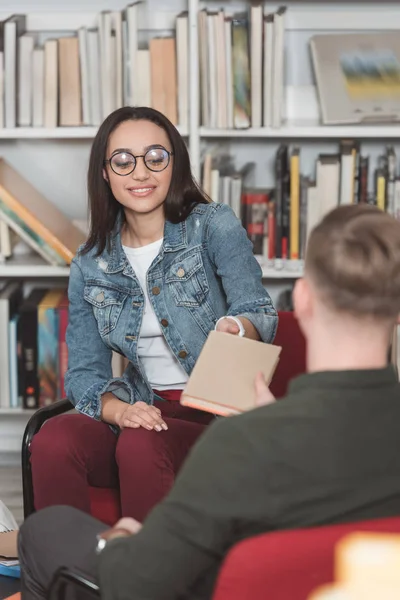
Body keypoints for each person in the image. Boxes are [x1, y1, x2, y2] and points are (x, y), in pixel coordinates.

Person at [19, 203, 400, 600]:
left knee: (45, 532)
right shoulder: (263, 438)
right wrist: (271, 421)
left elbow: (141, 581)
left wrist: (123, 543)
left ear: (302, 300)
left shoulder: (238, 445)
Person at [29, 106, 278, 522]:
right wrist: (119, 411)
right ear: (105, 173)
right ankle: (65, 574)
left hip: (215, 418)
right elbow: (85, 373)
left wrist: (236, 329)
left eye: (155, 157)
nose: (140, 173)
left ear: (173, 163)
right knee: (54, 438)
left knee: (140, 442)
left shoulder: (212, 226)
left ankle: (145, 576)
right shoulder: (91, 262)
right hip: (142, 408)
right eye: (123, 161)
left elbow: (258, 310)